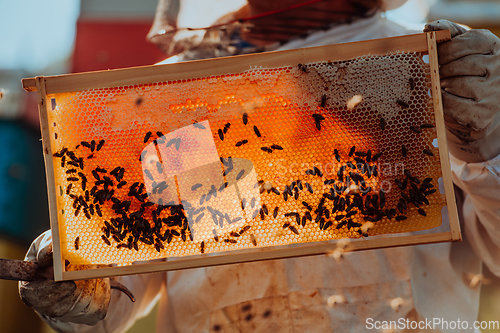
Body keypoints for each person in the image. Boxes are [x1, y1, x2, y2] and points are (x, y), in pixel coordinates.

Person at [19, 0, 500, 332]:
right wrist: (81, 282)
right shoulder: (178, 101)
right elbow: (131, 276)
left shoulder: (441, 70)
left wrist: (490, 149)